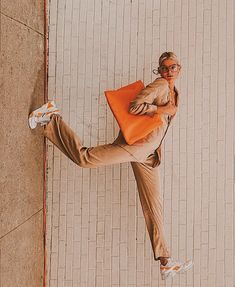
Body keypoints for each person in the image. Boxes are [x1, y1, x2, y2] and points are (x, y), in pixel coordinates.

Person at [29, 51, 193, 280]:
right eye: (164, 68)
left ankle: (166, 262)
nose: (168, 72)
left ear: (179, 68)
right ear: (159, 71)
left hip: (147, 155)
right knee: (85, 159)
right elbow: (135, 106)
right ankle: (51, 117)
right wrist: (164, 109)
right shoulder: (161, 86)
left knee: (154, 207)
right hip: (136, 146)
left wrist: (164, 121)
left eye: (172, 67)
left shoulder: (175, 92)